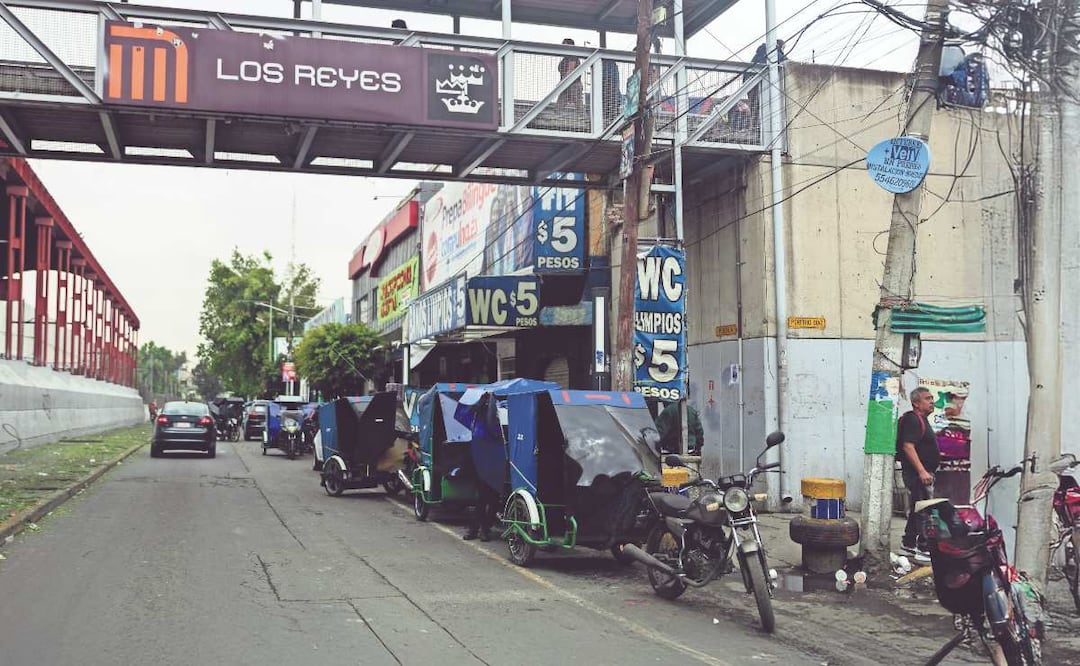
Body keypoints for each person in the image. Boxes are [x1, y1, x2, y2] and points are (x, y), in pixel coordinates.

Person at [897, 386, 940, 564]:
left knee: (918, 508)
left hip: (923, 472)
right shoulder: (913, 420)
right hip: (916, 473)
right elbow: (908, 446)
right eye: (927, 398)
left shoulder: (922, 419)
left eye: (932, 398)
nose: (932, 401)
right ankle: (923, 548)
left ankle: (908, 543)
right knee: (924, 509)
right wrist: (922, 471)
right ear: (916, 403)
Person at [557, 39, 583, 108]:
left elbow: (570, 70)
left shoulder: (573, 56)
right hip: (566, 84)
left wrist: (561, 83)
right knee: (560, 104)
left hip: (573, 84)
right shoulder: (565, 58)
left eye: (564, 44)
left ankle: (582, 118)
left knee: (578, 105)